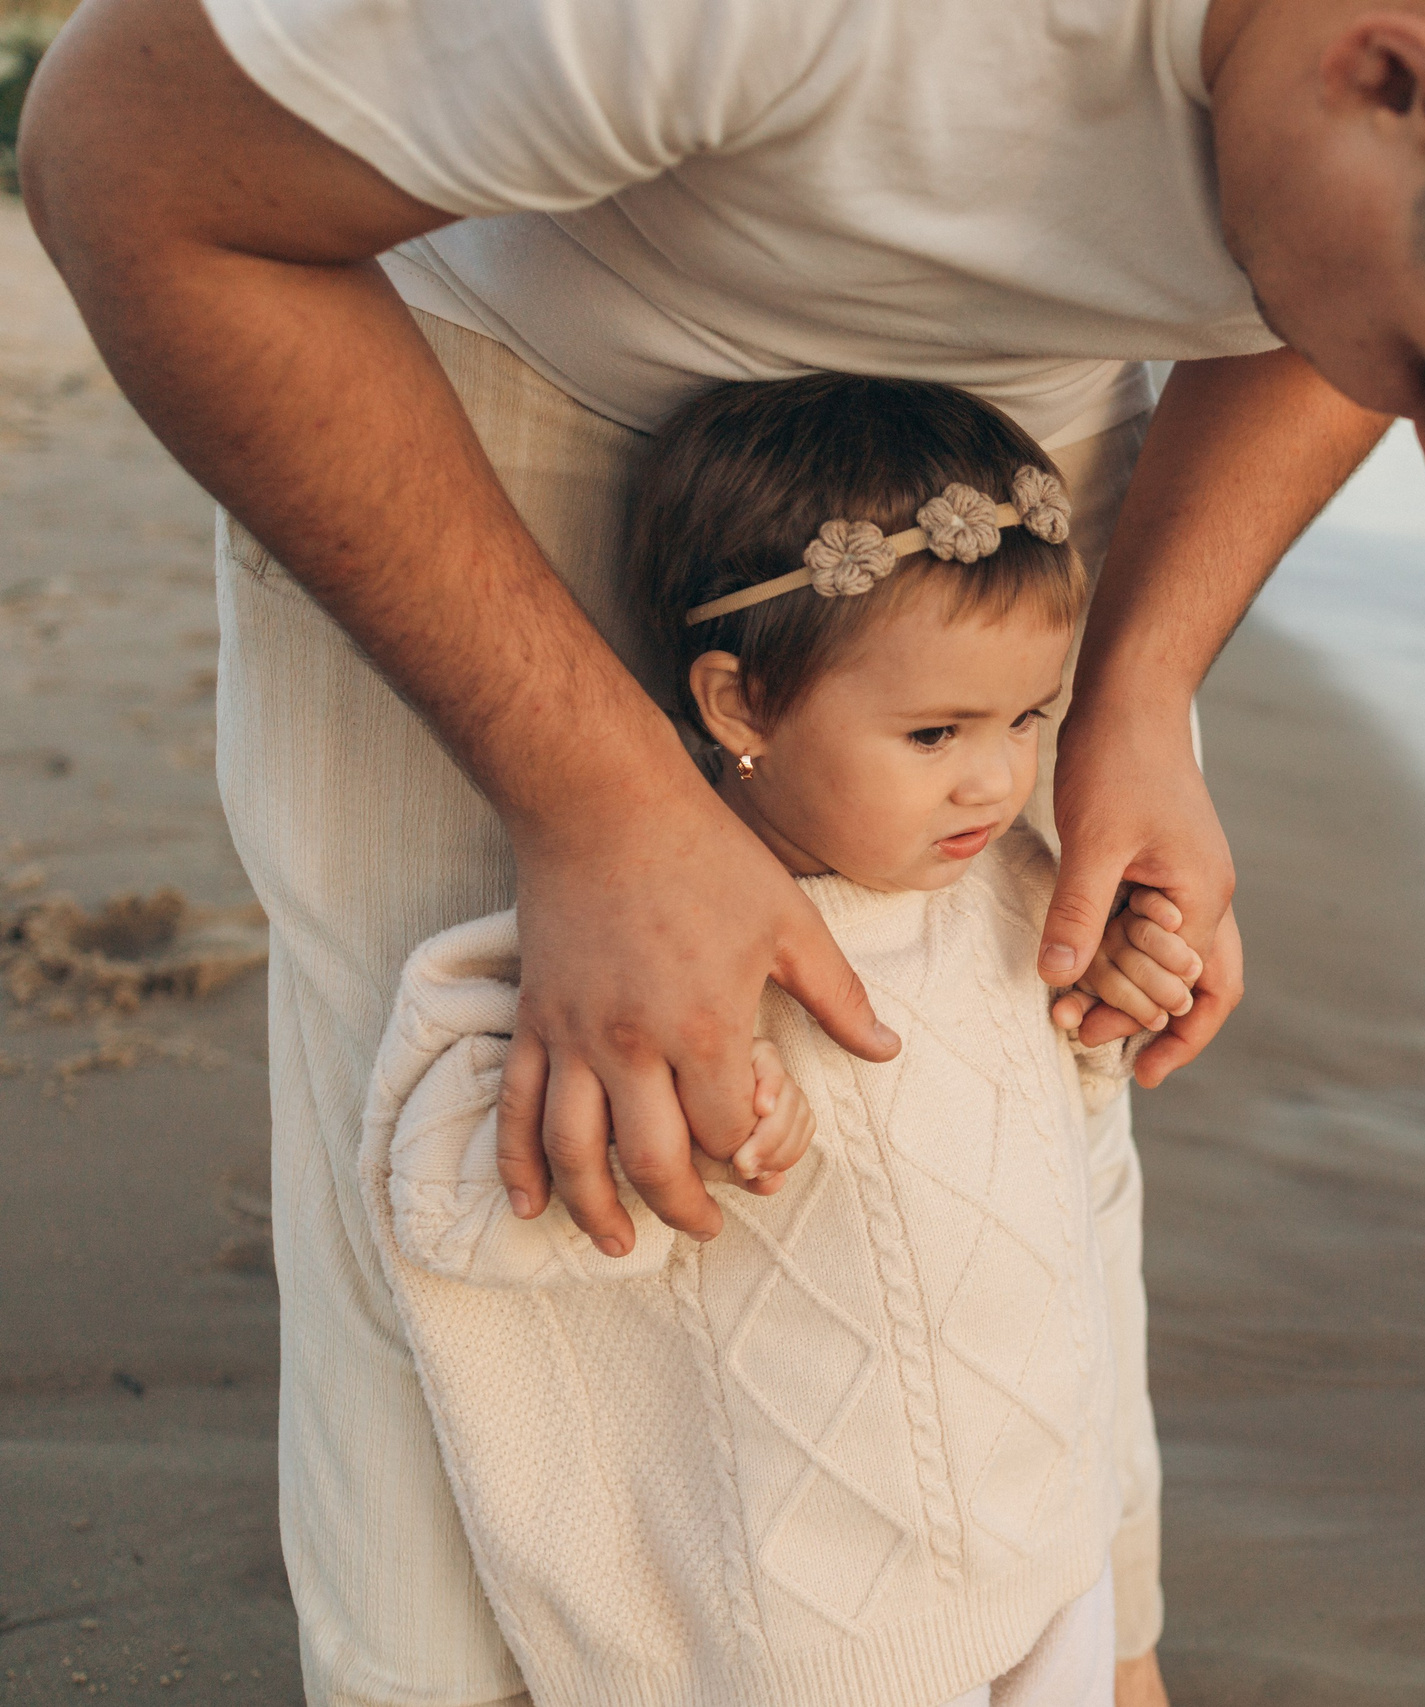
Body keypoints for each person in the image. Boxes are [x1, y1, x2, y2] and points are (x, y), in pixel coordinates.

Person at [18, 0, 1425, 1699]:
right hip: (497, 381)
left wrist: (1139, 681)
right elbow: (128, 168)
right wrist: (593, 791)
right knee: (521, 1184)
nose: (1418, 449)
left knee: (996, 1151)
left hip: (989, 465)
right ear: (1390, 72)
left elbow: (1322, 310)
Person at [365, 373, 1197, 1707]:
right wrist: (688, 1121)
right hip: (814, 1620)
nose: (994, 777)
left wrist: (1112, 991)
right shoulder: (652, 958)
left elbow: (1060, 1151)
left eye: (1030, 719)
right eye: (935, 733)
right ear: (740, 706)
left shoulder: (1014, 892)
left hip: (1044, 1550)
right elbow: (451, 1202)